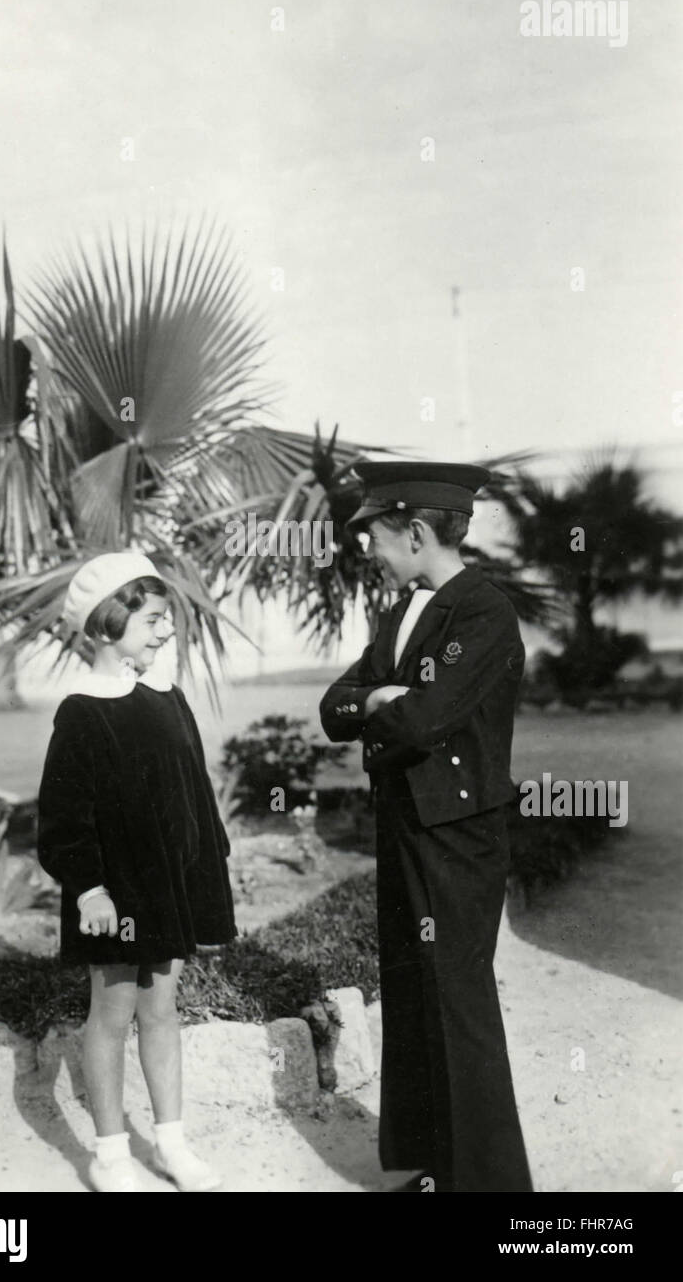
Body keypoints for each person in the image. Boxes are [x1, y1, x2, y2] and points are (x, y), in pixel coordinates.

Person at [319, 462, 532, 1193]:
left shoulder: (481, 611)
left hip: (457, 833)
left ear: (413, 532)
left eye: (375, 536)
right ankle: (437, 1170)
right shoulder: (400, 611)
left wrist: (383, 701)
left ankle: (494, 1187)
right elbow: (333, 707)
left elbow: (422, 719)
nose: (370, 553)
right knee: (411, 994)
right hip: (407, 822)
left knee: (456, 998)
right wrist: (381, 692)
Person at [37, 551, 236, 1193]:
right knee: (113, 1012)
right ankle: (111, 1153)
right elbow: (64, 815)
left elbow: (194, 791)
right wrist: (88, 886)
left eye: (165, 620)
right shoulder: (82, 711)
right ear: (105, 625)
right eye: (151, 619)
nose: (164, 631)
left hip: (168, 887)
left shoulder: (167, 698)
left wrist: (208, 868)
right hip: (115, 894)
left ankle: (172, 1143)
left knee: (162, 1009)